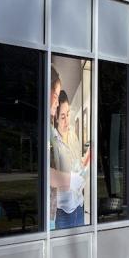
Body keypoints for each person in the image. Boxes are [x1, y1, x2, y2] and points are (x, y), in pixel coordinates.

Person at [51, 91, 91, 228]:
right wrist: (72, 179)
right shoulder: (53, 141)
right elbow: (51, 178)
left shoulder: (73, 135)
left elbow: (78, 166)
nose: (67, 120)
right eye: (62, 117)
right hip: (63, 212)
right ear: (55, 118)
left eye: (68, 114)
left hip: (79, 206)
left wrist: (84, 166)